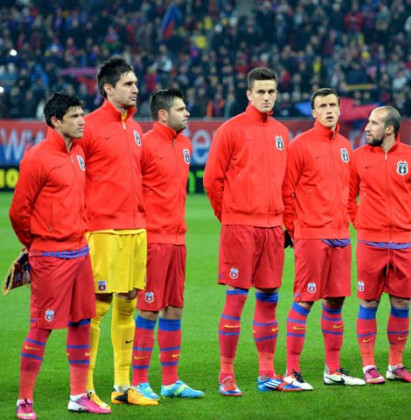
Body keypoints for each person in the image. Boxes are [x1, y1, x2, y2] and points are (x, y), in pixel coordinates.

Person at [9, 92, 110, 418]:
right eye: (76, 116)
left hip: (81, 252)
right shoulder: (37, 158)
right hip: (51, 256)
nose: (83, 121)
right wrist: (36, 245)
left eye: (82, 115)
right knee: (42, 327)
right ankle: (25, 400)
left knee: (82, 321)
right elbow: (18, 212)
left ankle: (78, 395)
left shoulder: (78, 152)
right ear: (56, 121)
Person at [203, 67, 301, 396]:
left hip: (273, 228)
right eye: (260, 92)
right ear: (248, 94)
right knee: (236, 299)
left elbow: (287, 186)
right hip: (241, 227)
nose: (267, 97)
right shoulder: (230, 130)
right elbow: (211, 180)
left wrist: (288, 224)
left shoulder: (281, 132)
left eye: (271, 92)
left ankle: (266, 373)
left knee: (270, 298)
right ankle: (226, 375)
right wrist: (229, 217)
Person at [81, 57, 153, 408]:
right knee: (97, 308)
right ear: (109, 89)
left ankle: (122, 386)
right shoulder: (89, 126)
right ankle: (85, 387)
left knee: (129, 304)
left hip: (136, 228)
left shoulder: (136, 129)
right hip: (102, 230)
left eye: (136, 83)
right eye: (128, 83)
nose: (136, 88)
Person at [281, 88, 365, 389]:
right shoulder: (300, 145)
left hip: (341, 236)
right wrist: (295, 231)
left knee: (335, 303)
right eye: (322, 106)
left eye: (333, 105)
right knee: (305, 300)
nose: (329, 110)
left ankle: (333, 370)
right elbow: (286, 192)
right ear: (313, 113)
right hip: (312, 236)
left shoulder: (345, 146)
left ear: (339, 110)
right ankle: (291, 372)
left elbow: (348, 192)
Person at [128, 88, 204, 402]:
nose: (187, 113)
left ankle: (171, 380)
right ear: (163, 114)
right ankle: (139, 381)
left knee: (174, 309)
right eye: (181, 109)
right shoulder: (143, 145)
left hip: (178, 240)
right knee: (149, 308)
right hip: (152, 240)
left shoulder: (185, 145)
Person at [349, 105, 411, 384]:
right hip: (370, 243)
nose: (367, 127)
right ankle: (369, 365)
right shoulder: (357, 157)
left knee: (401, 302)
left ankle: (395, 366)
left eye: (373, 123)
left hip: (402, 245)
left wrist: (407, 224)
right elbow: (348, 198)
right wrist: (361, 223)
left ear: (389, 129)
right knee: (368, 302)